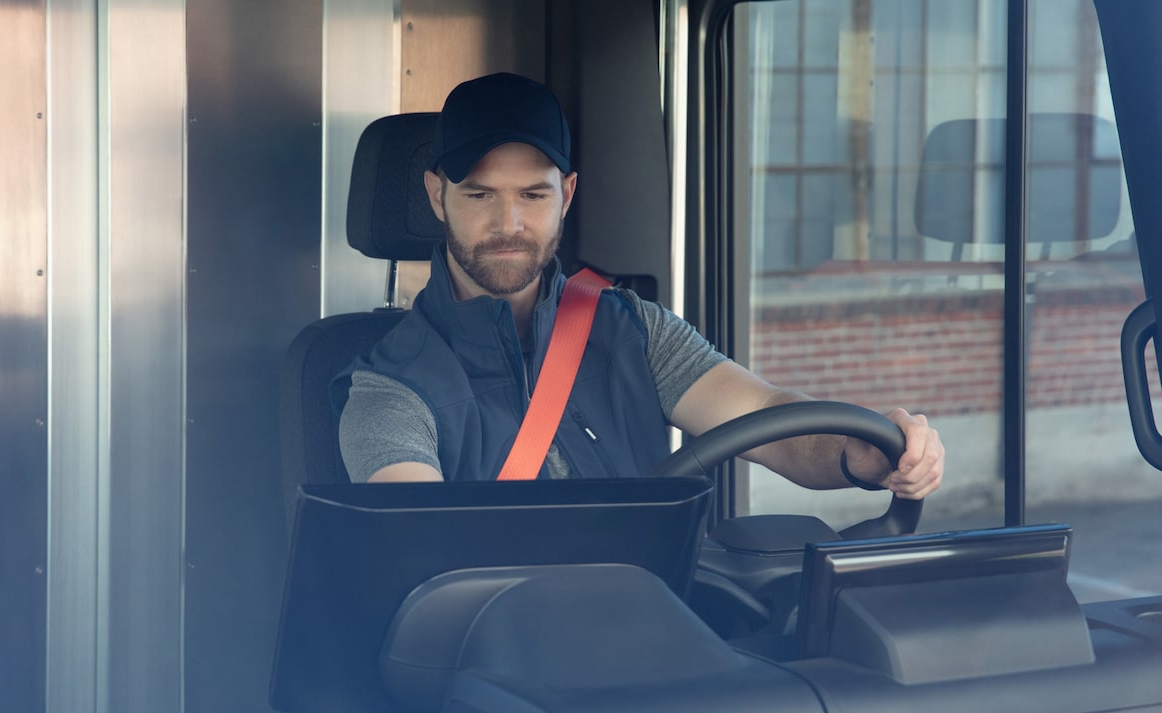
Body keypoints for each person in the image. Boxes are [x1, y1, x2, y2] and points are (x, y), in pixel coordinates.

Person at [334, 72, 943, 499]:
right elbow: (419, 546)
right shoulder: (390, 387)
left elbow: (764, 415)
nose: (509, 224)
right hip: (506, 655)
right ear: (437, 197)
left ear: (566, 195)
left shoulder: (630, 328)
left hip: (660, 629)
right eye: (480, 195)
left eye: (533, 195)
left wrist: (857, 450)